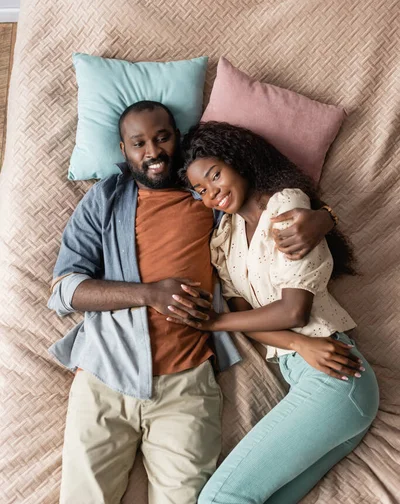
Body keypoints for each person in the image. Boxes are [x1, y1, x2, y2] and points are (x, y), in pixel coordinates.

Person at [48, 102, 350, 504]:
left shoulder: (210, 199)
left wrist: (323, 216)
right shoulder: (105, 199)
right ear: (124, 150)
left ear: (179, 137)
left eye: (162, 137)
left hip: (188, 384)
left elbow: (267, 202)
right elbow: (65, 291)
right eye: (139, 143)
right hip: (106, 372)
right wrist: (149, 293)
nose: (152, 151)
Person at [172, 121, 380, 504]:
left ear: (239, 161)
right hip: (308, 368)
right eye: (200, 189)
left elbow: (293, 310)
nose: (211, 194)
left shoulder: (286, 205)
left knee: (220, 498)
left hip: (336, 375)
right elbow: (251, 319)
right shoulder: (225, 238)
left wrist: (215, 322)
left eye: (215, 175)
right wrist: (299, 345)